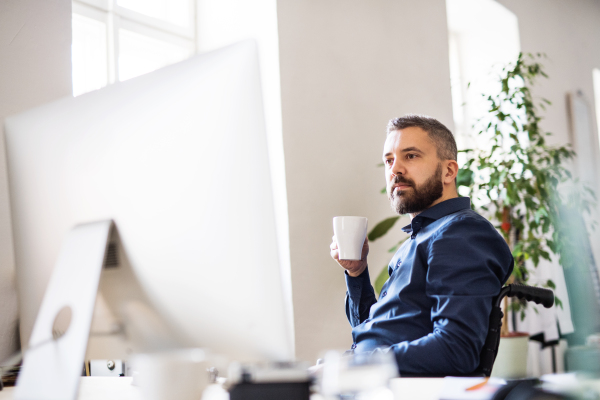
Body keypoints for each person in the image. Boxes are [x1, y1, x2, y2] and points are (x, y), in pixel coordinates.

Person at [330, 114, 514, 376]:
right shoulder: (424, 236)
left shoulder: (461, 233)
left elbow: (456, 349)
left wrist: (361, 363)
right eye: (389, 160)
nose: (395, 169)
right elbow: (377, 330)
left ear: (449, 171)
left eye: (411, 156)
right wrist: (357, 272)